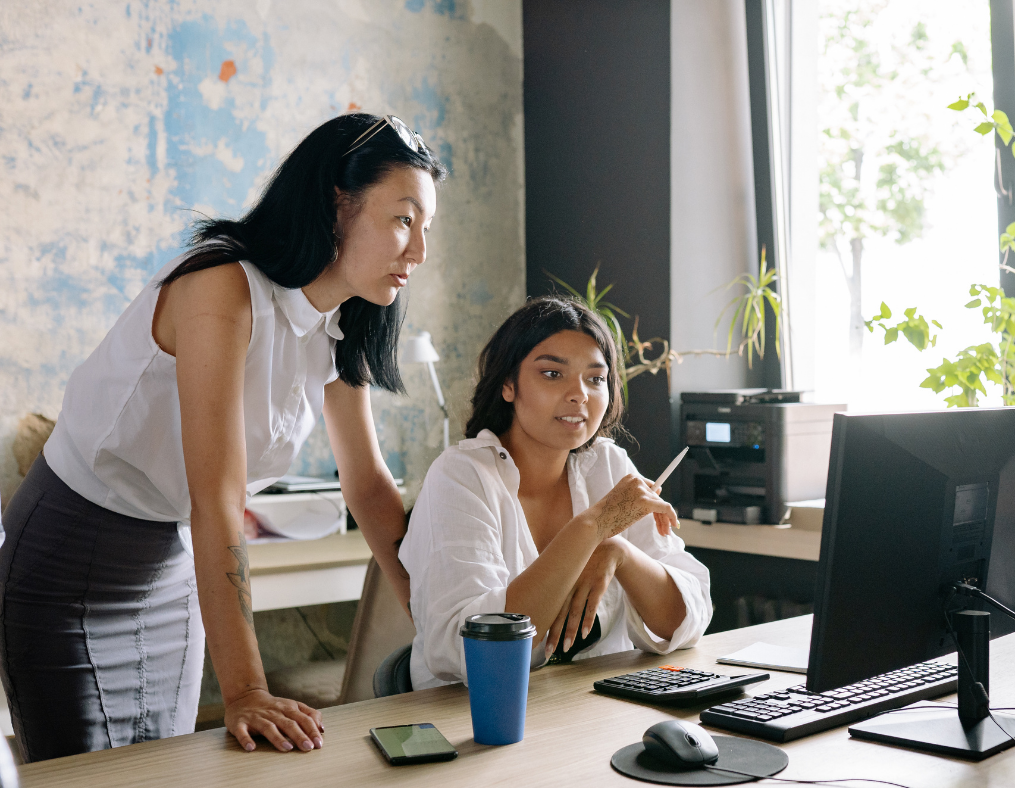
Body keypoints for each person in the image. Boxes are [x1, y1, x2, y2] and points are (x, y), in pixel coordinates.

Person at [0, 114, 446, 762]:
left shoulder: (339, 319)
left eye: (426, 227)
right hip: (72, 559)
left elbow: (370, 487)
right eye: (404, 220)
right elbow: (218, 497)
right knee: (84, 777)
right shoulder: (222, 287)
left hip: (171, 559)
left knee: (174, 771)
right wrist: (245, 689)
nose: (420, 253)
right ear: (334, 204)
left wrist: (439, 628)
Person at [399, 296, 713, 690]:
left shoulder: (608, 466)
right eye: (552, 374)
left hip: (586, 715)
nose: (579, 394)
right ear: (508, 384)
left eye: (596, 378)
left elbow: (688, 619)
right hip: (472, 716)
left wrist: (620, 553)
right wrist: (592, 528)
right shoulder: (462, 476)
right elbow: (473, 652)